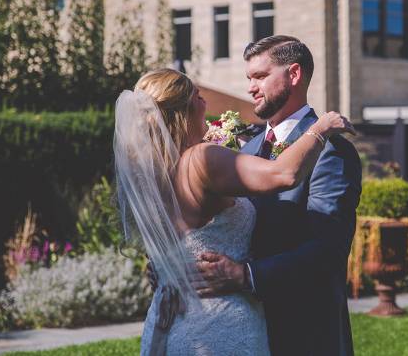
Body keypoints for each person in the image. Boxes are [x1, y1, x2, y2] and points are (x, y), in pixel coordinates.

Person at [114, 67, 355, 356]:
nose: (205, 103)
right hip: (219, 325)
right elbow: (284, 174)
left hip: (167, 324)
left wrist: (164, 269)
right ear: (184, 111)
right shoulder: (202, 159)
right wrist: (321, 128)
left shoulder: (150, 178)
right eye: (198, 96)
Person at [196, 36, 363, 355]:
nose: (251, 88)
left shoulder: (331, 151)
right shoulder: (246, 149)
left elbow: (328, 249)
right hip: (240, 327)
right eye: (249, 78)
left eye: (260, 76)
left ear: (294, 74)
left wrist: (246, 275)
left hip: (304, 332)